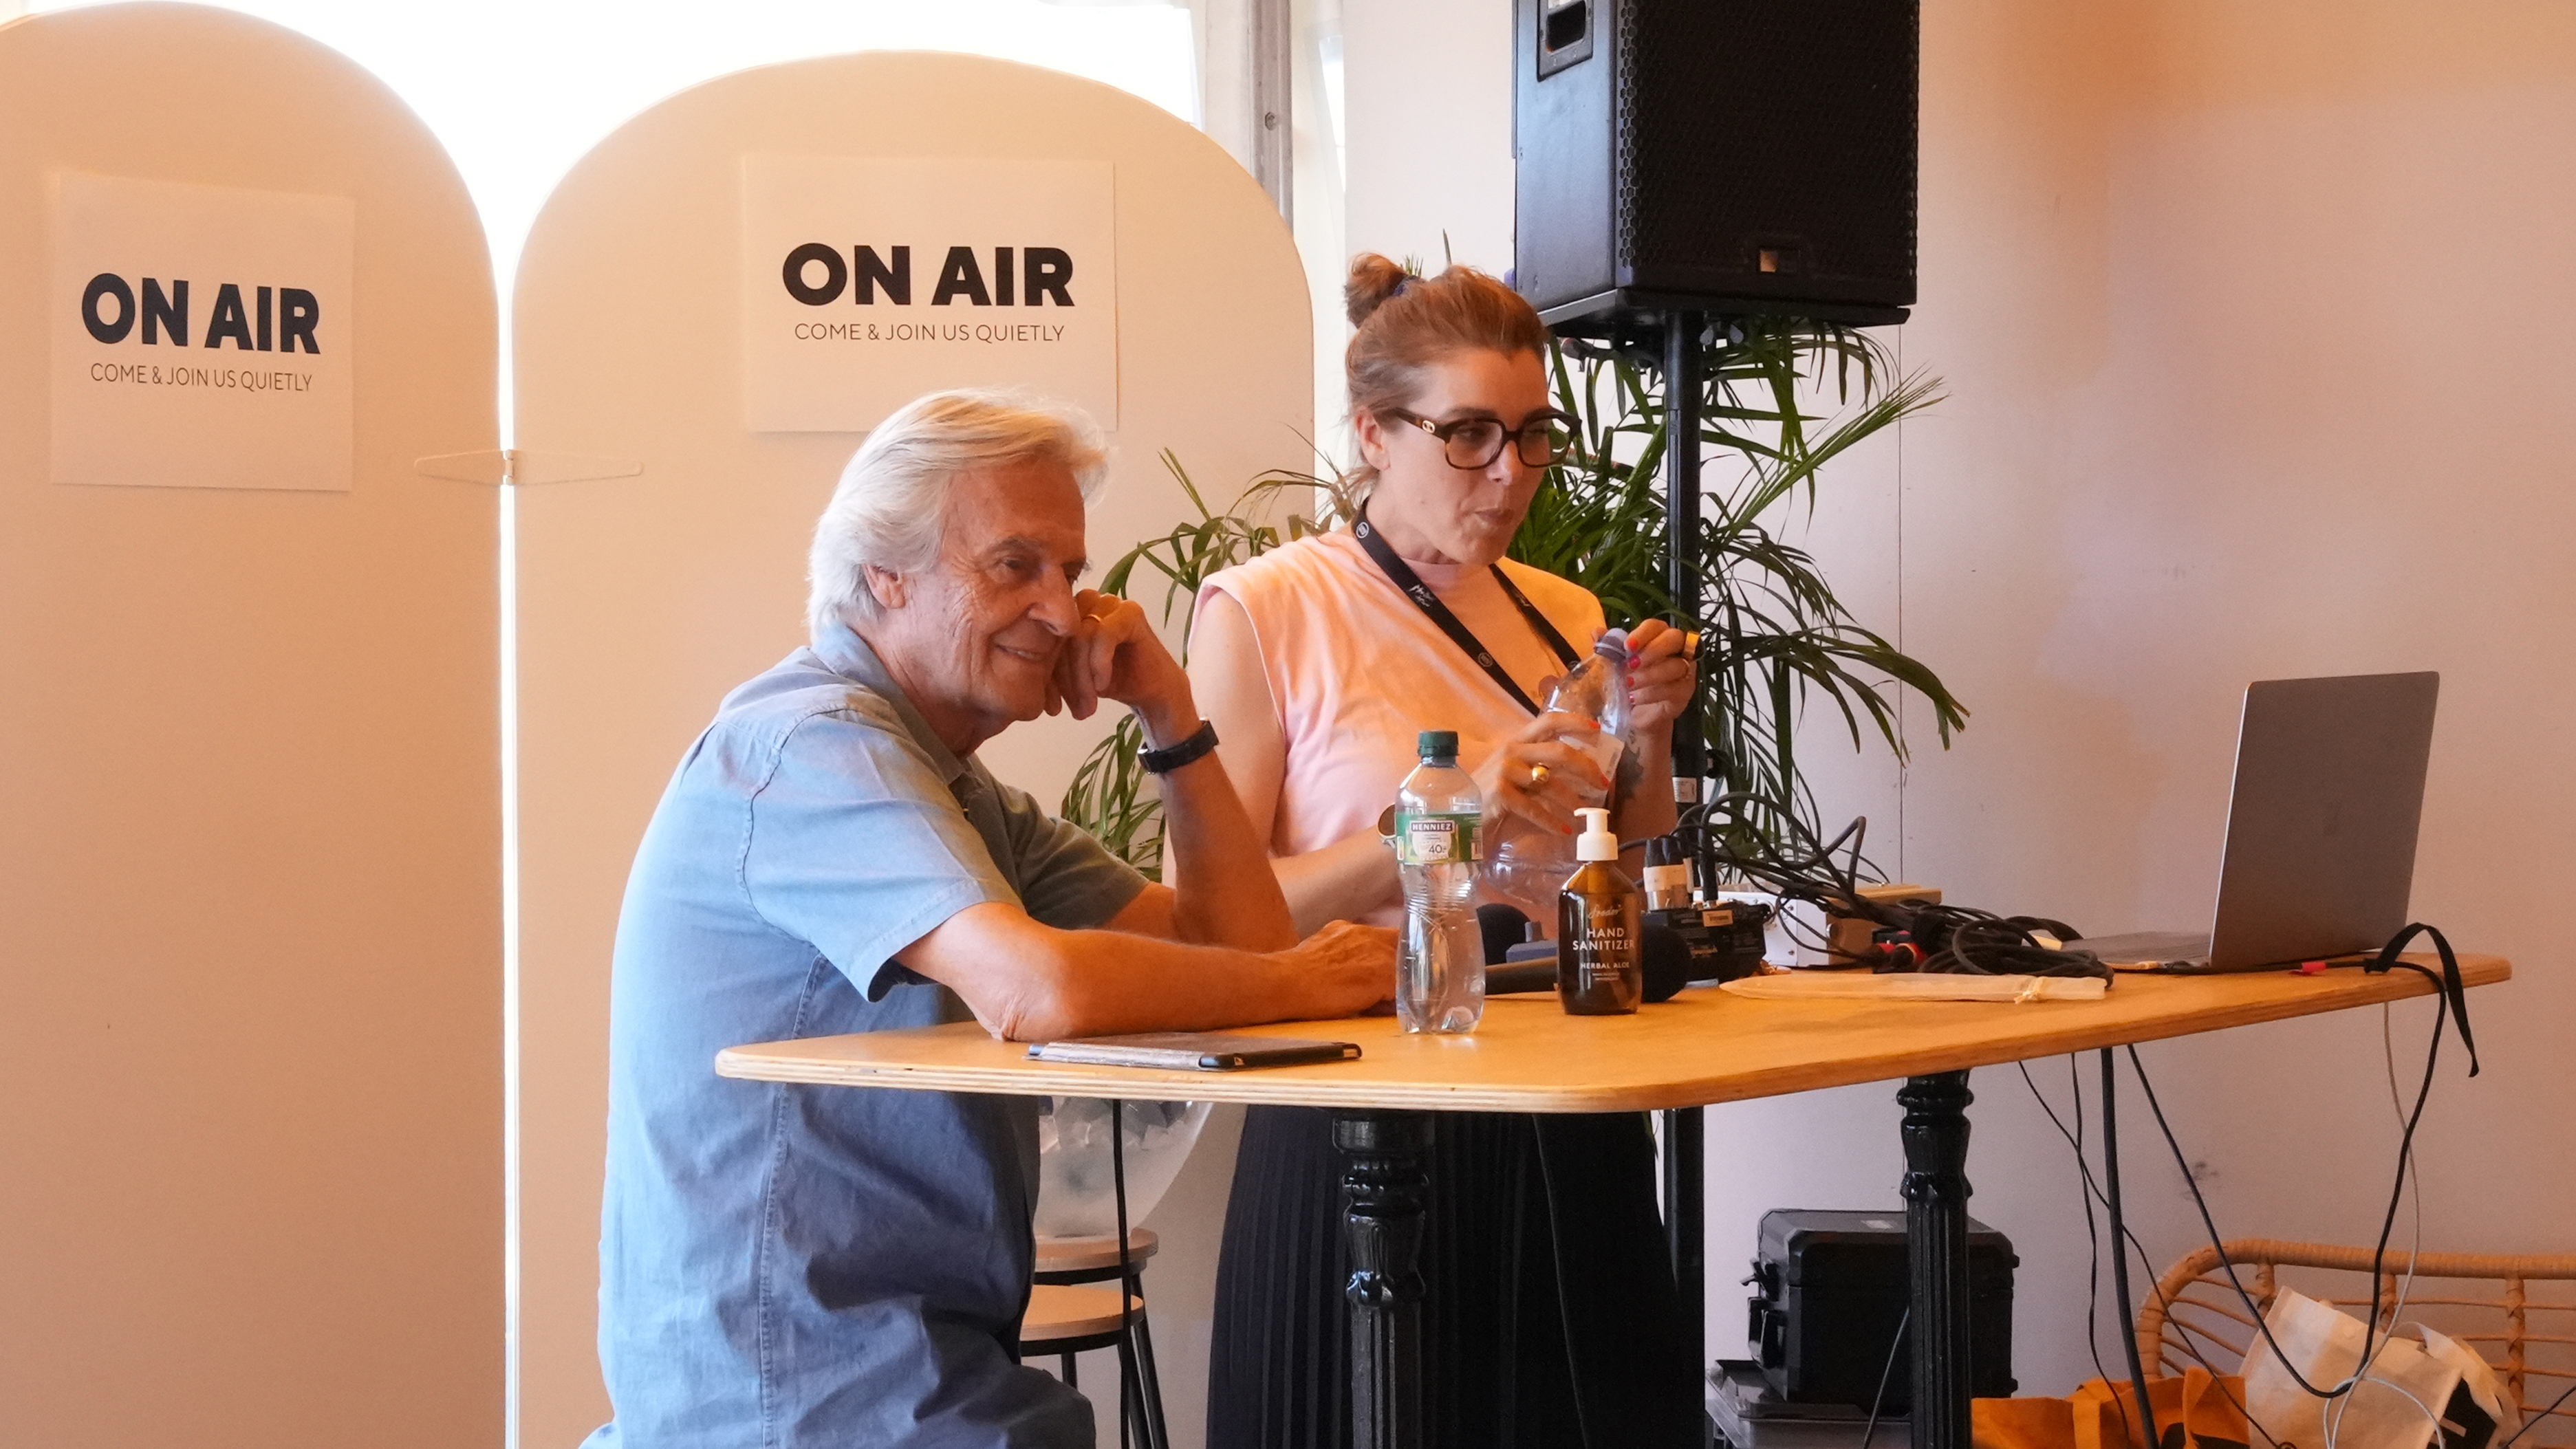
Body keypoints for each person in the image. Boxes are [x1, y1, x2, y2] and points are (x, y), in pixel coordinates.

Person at [584, 389, 1392, 1449]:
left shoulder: (956, 791)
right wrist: (1308, 981)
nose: (1062, 612)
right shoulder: (809, 748)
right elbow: (1036, 990)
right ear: (887, 573)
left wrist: (1170, 712)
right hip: (796, 1400)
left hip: (910, 1374)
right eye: (1014, 566)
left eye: (1070, 571)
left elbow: (1238, 948)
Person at [1191, 257, 1704, 1448]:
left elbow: (1617, 845)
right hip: (1361, 1101)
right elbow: (1217, 917)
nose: (1509, 472)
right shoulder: (1266, 611)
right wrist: (1446, 812)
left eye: (1532, 435)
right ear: (1373, 434)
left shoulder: (1563, 613)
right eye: (1467, 435)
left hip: (1564, 1086)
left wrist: (1648, 736)